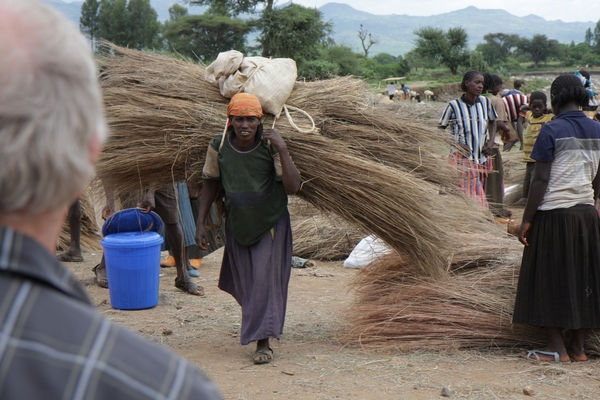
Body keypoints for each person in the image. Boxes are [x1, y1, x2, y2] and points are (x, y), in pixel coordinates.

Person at [0, 1, 222, 398]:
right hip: (135, 181)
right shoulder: (164, 386)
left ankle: (182, 273)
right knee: (120, 222)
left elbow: (155, 159)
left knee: (168, 222)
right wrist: (120, 197)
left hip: (160, 179)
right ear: (87, 156)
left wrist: (152, 194)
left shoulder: (159, 112)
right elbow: (121, 163)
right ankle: (110, 267)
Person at [195, 93, 301, 365]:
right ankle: (260, 320)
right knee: (247, 282)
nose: (245, 125)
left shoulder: (269, 147)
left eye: (251, 119)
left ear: (260, 121)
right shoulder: (218, 146)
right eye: (239, 119)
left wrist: (284, 149)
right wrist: (201, 223)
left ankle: (263, 342)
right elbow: (210, 183)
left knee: (263, 281)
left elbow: (292, 187)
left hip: (270, 222)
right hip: (238, 223)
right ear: (229, 121)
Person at [513, 74, 600, 363]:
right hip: (587, 215)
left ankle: (556, 350)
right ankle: (578, 348)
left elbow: (540, 181)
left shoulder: (551, 130)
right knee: (584, 279)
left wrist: (526, 220)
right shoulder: (597, 129)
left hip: (554, 215)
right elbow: (598, 180)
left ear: (555, 98)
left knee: (545, 279)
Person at [439, 71, 497, 209]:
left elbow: (493, 121)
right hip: (462, 158)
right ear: (467, 84)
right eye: (477, 82)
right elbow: (439, 130)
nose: (480, 86)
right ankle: (479, 219)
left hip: (482, 157)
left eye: (482, 83)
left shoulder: (485, 102)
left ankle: (469, 219)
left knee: (478, 191)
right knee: (473, 195)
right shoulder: (453, 106)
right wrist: (456, 144)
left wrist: (490, 142)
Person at [481, 73, 512, 218]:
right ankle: (496, 208)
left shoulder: (477, 99)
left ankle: (483, 206)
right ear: (494, 86)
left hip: (478, 144)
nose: (499, 90)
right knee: (494, 177)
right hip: (491, 144)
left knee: (481, 177)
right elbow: (498, 122)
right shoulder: (496, 100)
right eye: (498, 87)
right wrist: (507, 130)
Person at [517, 91, 553, 199]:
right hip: (528, 158)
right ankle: (525, 199)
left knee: (534, 179)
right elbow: (522, 108)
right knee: (527, 180)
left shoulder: (547, 118)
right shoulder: (529, 115)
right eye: (534, 106)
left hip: (538, 157)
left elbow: (558, 115)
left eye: (540, 107)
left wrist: (549, 110)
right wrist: (530, 106)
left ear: (545, 107)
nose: (537, 109)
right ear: (530, 106)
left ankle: (533, 200)